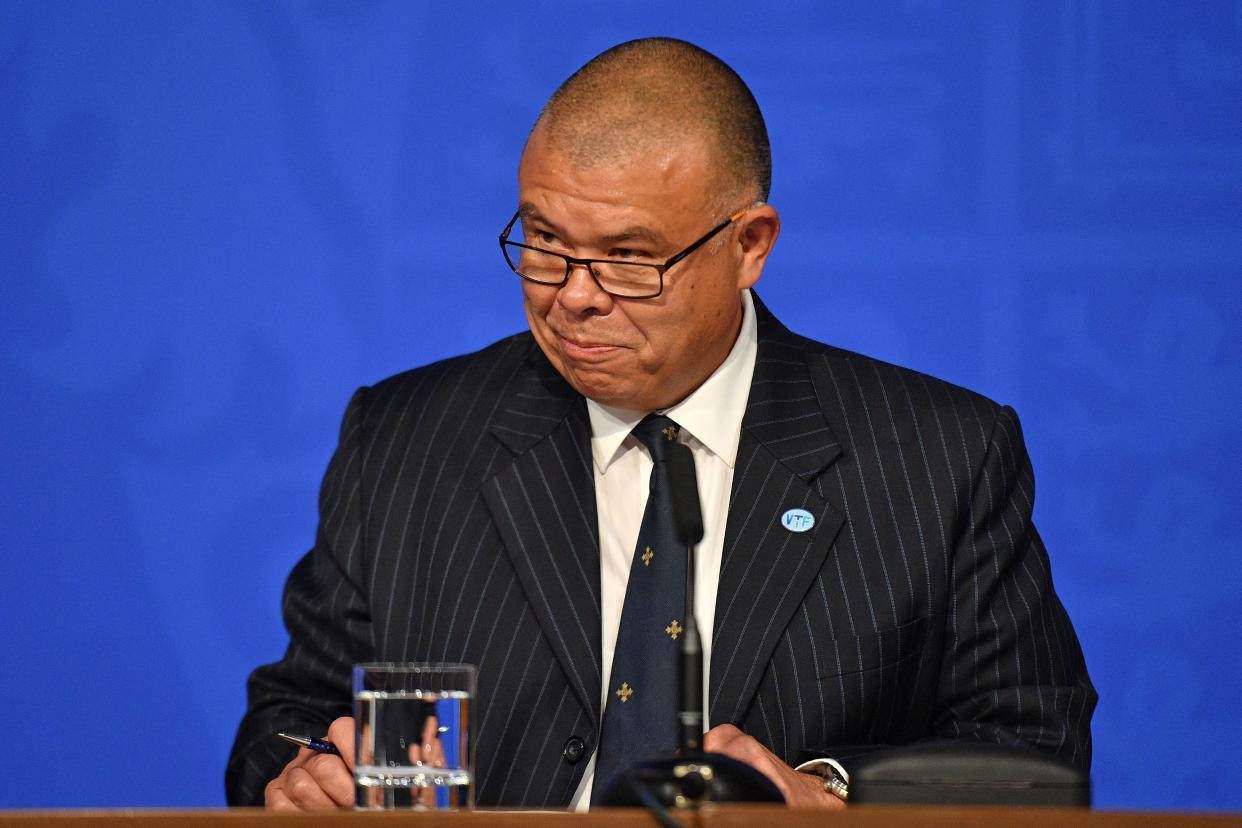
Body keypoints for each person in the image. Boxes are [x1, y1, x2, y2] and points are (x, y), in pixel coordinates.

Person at [226, 37, 1095, 811]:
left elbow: (1034, 759)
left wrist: (832, 795)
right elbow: (291, 718)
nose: (572, 295)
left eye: (627, 258)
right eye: (542, 239)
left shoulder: (940, 458)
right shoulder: (406, 440)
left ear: (749, 244)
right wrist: (305, 773)